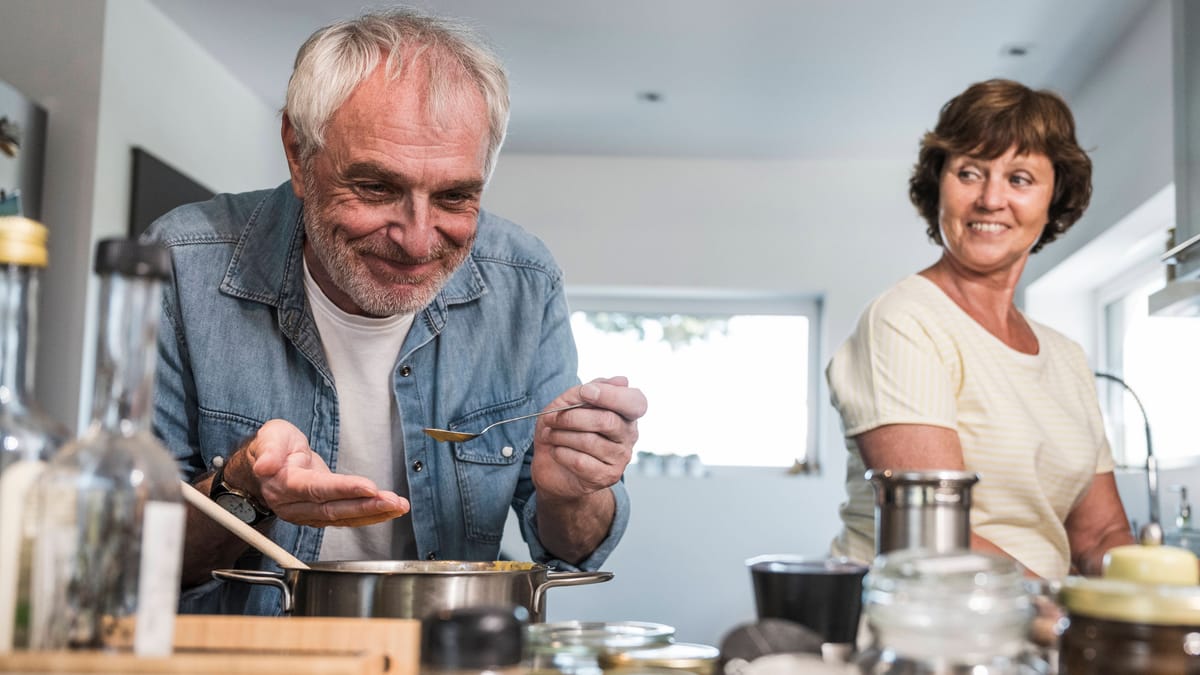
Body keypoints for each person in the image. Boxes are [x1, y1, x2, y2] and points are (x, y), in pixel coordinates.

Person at [148, 7, 647, 615]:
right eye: (377, 189)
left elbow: (574, 549)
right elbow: (140, 558)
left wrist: (571, 493)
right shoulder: (182, 266)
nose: (416, 240)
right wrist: (244, 489)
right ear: (299, 154)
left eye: (455, 197)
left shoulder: (525, 282)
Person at [826, 78, 1133, 579]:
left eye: (1019, 179)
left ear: (1055, 195)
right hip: (917, 631)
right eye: (970, 173)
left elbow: (1100, 535)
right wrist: (1067, 610)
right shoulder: (905, 320)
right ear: (938, 184)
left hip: (1029, 635)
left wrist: (1155, 584)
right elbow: (931, 537)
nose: (991, 199)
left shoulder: (1066, 357)